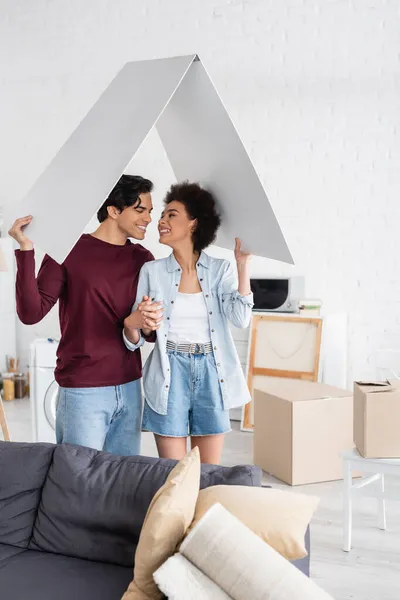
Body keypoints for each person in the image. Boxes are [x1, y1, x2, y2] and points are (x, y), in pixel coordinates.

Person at [9, 174, 163, 455]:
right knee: (77, 479)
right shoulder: (69, 250)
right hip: (83, 387)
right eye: (140, 210)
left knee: (121, 479)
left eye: (150, 212)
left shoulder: (144, 258)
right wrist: (25, 250)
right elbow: (31, 313)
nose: (148, 219)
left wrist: (149, 324)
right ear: (114, 210)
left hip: (129, 386)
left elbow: (149, 333)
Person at [123, 181, 253, 464]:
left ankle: (203, 511)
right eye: (163, 215)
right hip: (170, 370)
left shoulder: (220, 270)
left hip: (211, 369)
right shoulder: (152, 271)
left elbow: (241, 319)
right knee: (174, 474)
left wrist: (242, 265)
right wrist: (144, 321)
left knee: (208, 473)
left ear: (193, 223)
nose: (161, 221)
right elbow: (143, 332)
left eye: (171, 214)